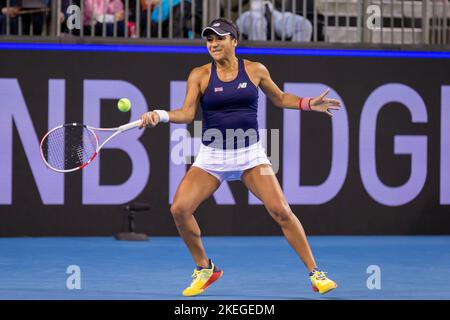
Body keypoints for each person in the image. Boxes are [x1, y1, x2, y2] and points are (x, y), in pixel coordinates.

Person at [139, 18, 340, 296]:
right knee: (179, 209)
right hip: (212, 156)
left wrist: (307, 103)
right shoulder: (199, 74)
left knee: (281, 211)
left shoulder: (255, 70)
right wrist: (159, 115)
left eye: (219, 39)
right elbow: (186, 114)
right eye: (209, 40)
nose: (213, 44)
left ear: (234, 41)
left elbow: (280, 98)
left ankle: (315, 273)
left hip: (250, 155)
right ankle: (205, 268)